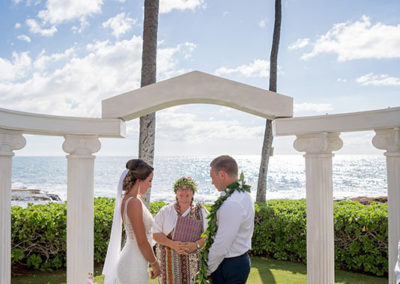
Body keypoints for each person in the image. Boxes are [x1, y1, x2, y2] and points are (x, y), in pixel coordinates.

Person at [103, 159, 161, 284]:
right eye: (149, 181)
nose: (150, 185)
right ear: (139, 181)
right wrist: (155, 263)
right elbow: (141, 241)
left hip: (135, 261)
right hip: (133, 265)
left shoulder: (130, 198)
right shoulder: (133, 203)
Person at [206, 155, 255, 284]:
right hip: (238, 260)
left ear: (222, 174)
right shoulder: (243, 194)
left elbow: (222, 244)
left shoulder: (232, 203)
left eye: (213, 177)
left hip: (229, 264)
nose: (212, 182)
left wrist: (207, 269)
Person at [153, 176, 209, 284]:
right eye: (180, 189)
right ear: (176, 192)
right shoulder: (165, 211)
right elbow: (155, 234)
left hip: (194, 268)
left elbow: (208, 235)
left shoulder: (201, 211)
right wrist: (172, 244)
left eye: (188, 188)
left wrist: (196, 245)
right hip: (168, 267)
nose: (184, 191)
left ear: (193, 192)